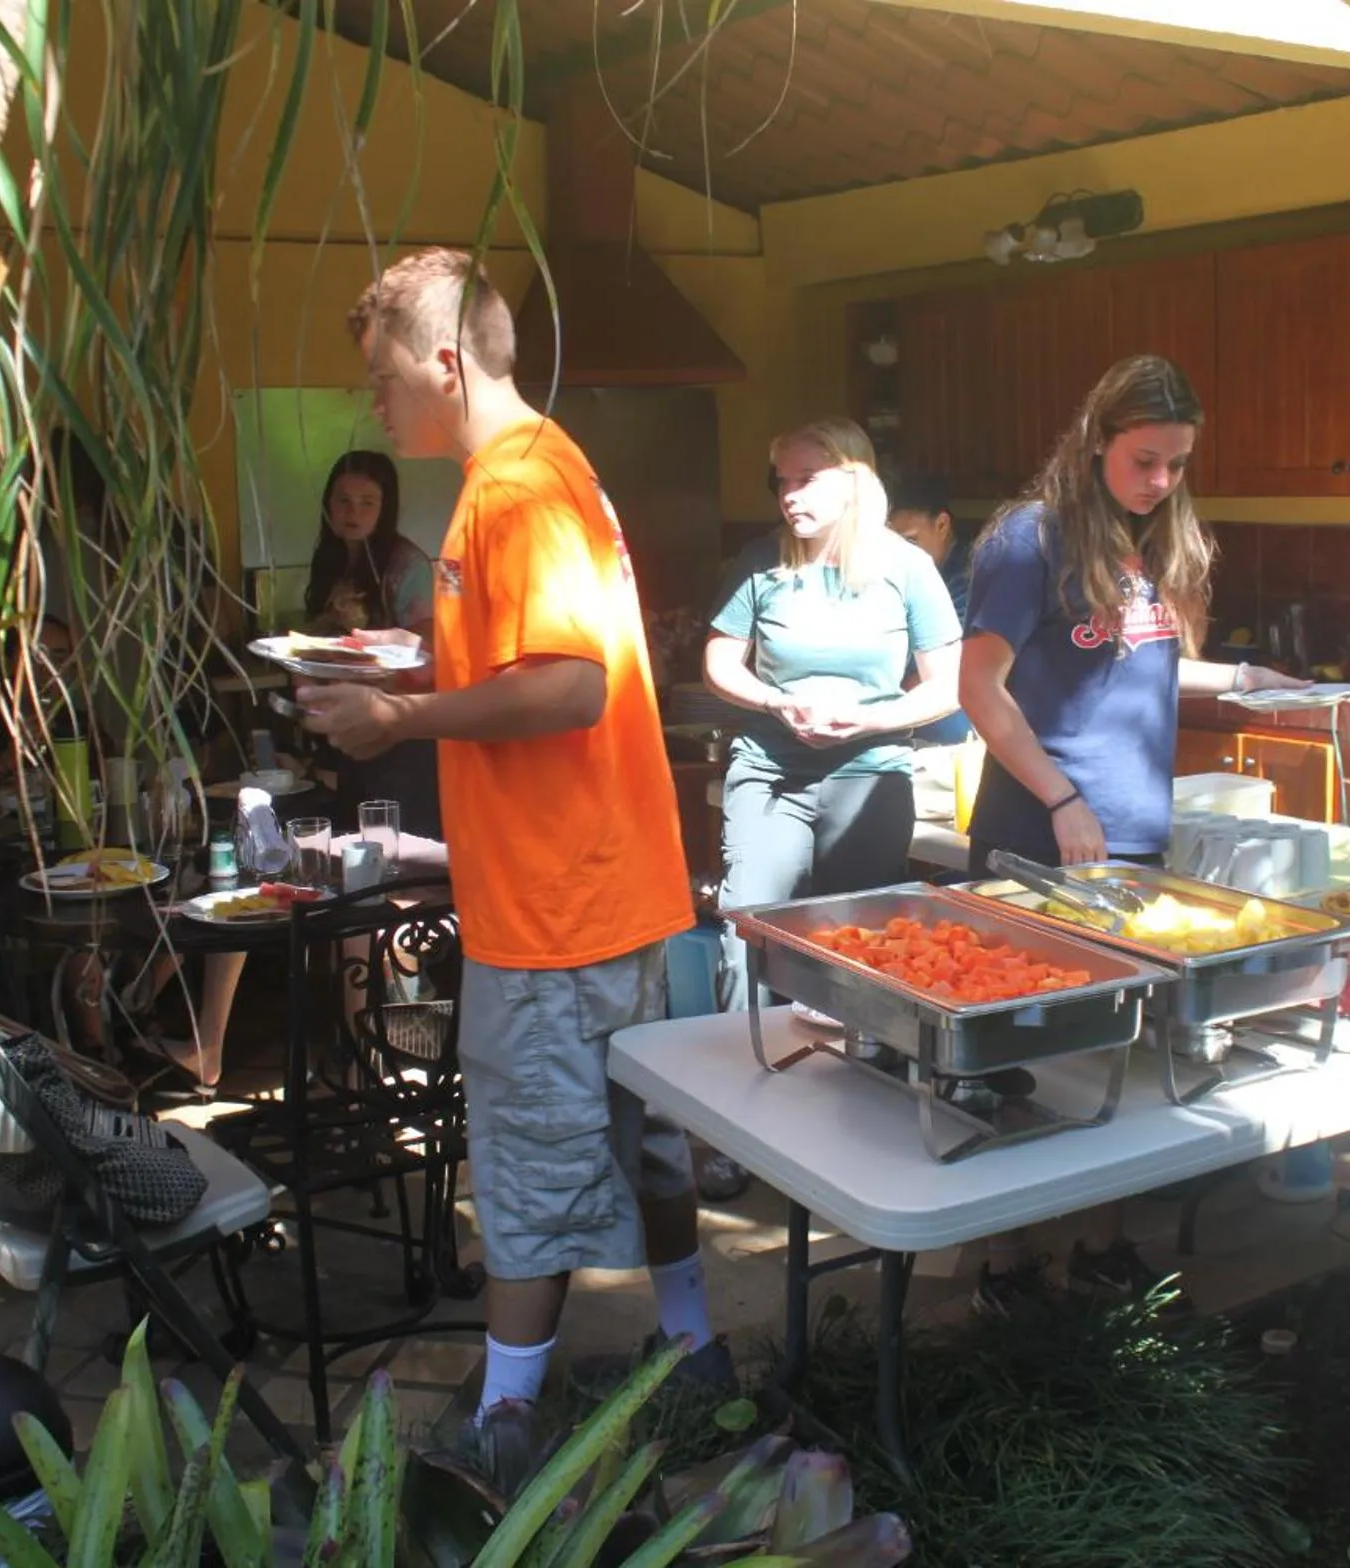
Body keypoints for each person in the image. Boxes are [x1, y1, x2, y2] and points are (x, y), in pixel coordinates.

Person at [297, 247, 723, 1416]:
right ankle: (692, 1349)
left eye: (380, 372)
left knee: (531, 1178)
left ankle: (504, 1434)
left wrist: (403, 714)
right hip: (603, 890)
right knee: (638, 1144)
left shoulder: (518, 488)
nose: (370, 400)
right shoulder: (539, 468)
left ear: (443, 361)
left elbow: (569, 687)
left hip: (553, 908)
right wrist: (407, 666)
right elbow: (524, 660)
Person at [957, 353, 1303, 1309]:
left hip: (1133, 838)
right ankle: (1006, 1258)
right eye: (1145, 460)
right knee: (1023, 1054)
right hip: (1043, 835)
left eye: (1177, 464)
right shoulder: (1031, 540)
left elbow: (1134, 667)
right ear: (1096, 439)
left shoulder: (1142, 543)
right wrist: (1064, 799)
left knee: (1115, 1050)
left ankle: (1098, 1245)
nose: (1161, 481)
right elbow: (978, 687)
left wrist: (1240, 678)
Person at [704, 419, 962, 1015]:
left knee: (865, 938)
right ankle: (742, 1072)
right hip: (771, 771)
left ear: (854, 482)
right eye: (782, 481)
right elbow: (719, 660)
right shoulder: (760, 560)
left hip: (870, 772)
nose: (789, 494)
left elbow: (947, 687)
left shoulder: (907, 567)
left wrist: (869, 720)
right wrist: (774, 700)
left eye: (807, 479)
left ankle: (856, 1069)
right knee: (751, 929)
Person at [302, 447, 444, 842]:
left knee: (401, 849)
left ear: (386, 508)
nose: (353, 512)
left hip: (404, 731)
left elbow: (427, 652)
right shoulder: (331, 559)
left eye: (368, 502)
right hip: (352, 723)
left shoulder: (405, 565)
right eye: (343, 500)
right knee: (356, 847)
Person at [884, 472, 974, 745]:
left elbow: (948, 671)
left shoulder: (973, 575)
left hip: (949, 711)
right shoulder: (887, 569)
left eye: (911, 541)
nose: (899, 554)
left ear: (942, 524)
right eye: (891, 542)